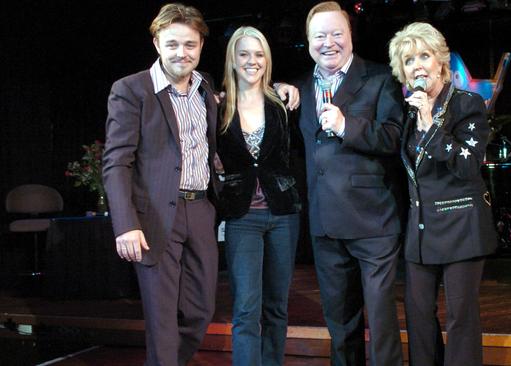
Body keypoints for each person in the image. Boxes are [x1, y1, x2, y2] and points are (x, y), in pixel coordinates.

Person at [102, 3, 221, 365]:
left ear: (200, 44)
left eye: (189, 44)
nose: (181, 53)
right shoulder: (131, 90)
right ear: (157, 43)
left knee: (200, 311)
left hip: (201, 209)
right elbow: (116, 162)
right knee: (163, 319)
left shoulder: (205, 87)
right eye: (172, 44)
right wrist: (126, 224)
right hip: (153, 216)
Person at [295, 2, 405, 365]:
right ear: (308, 41)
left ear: (350, 35)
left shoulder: (379, 78)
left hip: (374, 222)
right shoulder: (299, 88)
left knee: (382, 319)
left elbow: (393, 136)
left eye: (337, 33)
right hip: (325, 225)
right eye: (320, 35)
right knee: (340, 323)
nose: (329, 42)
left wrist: (347, 126)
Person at [388, 22, 498, 366]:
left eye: (424, 55)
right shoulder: (406, 113)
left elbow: (468, 166)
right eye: (408, 60)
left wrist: (430, 124)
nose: (417, 65)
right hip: (422, 229)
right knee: (418, 315)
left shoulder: (467, 104)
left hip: (462, 224)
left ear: (440, 62)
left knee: (460, 318)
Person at [216, 26, 301, 366]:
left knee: (277, 307)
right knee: (247, 308)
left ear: (267, 59)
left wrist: (285, 87)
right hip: (241, 216)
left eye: (259, 54)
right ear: (233, 60)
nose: (252, 61)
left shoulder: (282, 102)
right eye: (244, 54)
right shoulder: (218, 104)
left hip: (283, 214)